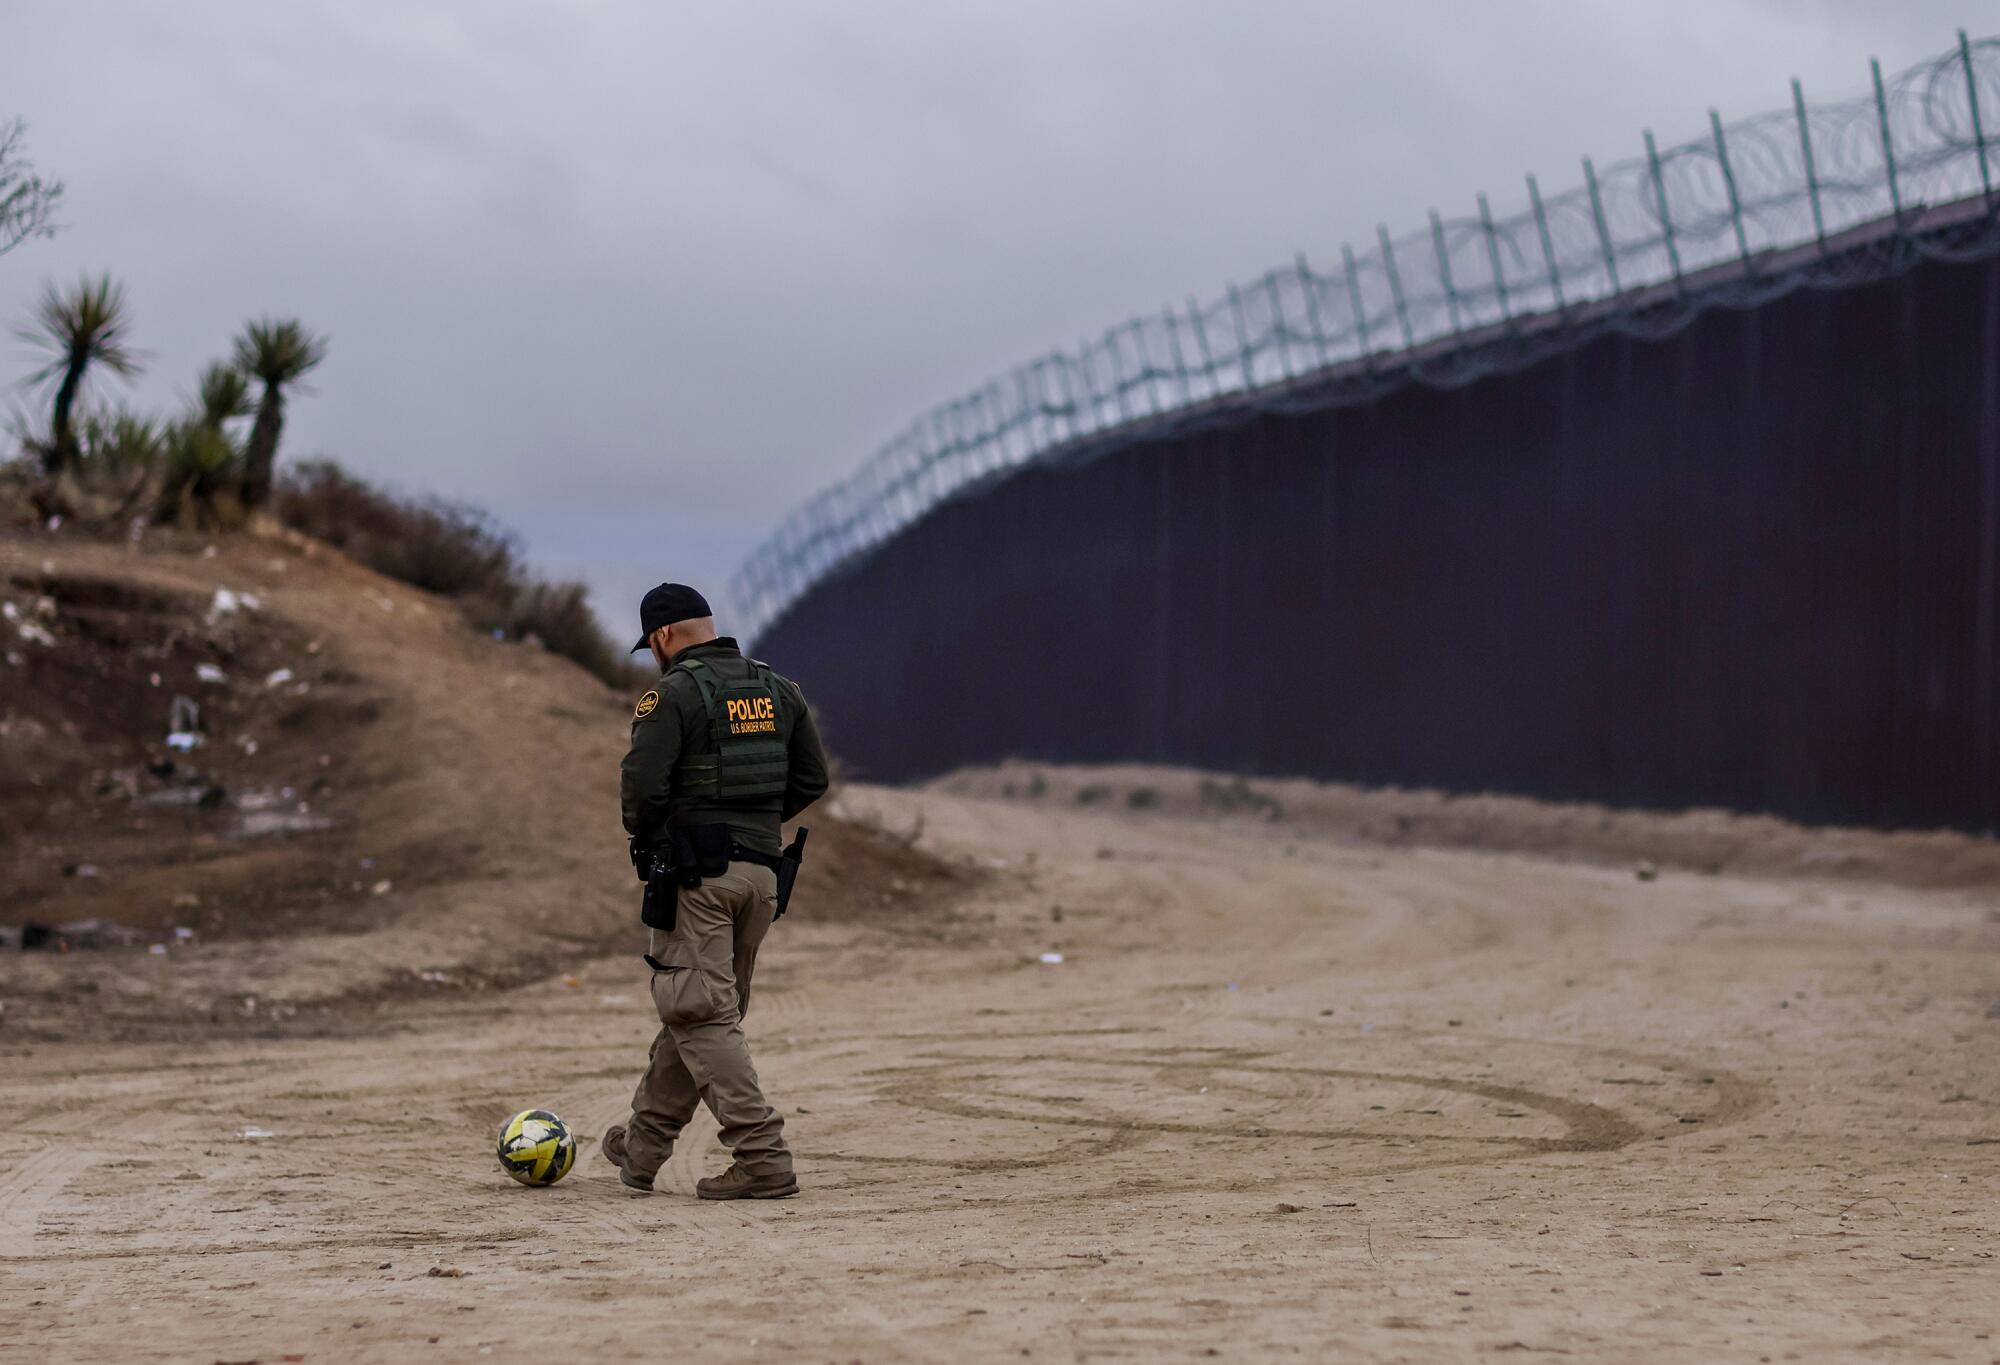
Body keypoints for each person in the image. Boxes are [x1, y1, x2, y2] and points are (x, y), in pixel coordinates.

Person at [602, 582, 829, 1199]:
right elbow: (813, 776)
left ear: (663, 637)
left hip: (698, 878)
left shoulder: (671, 694)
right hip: (760, 876)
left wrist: (661, 838)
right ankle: (643, 1149)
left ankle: (762, 1157)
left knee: (699, 1011)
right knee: (699, 1011)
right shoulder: (778, 688)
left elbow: (643, 790)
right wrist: (752, 821)